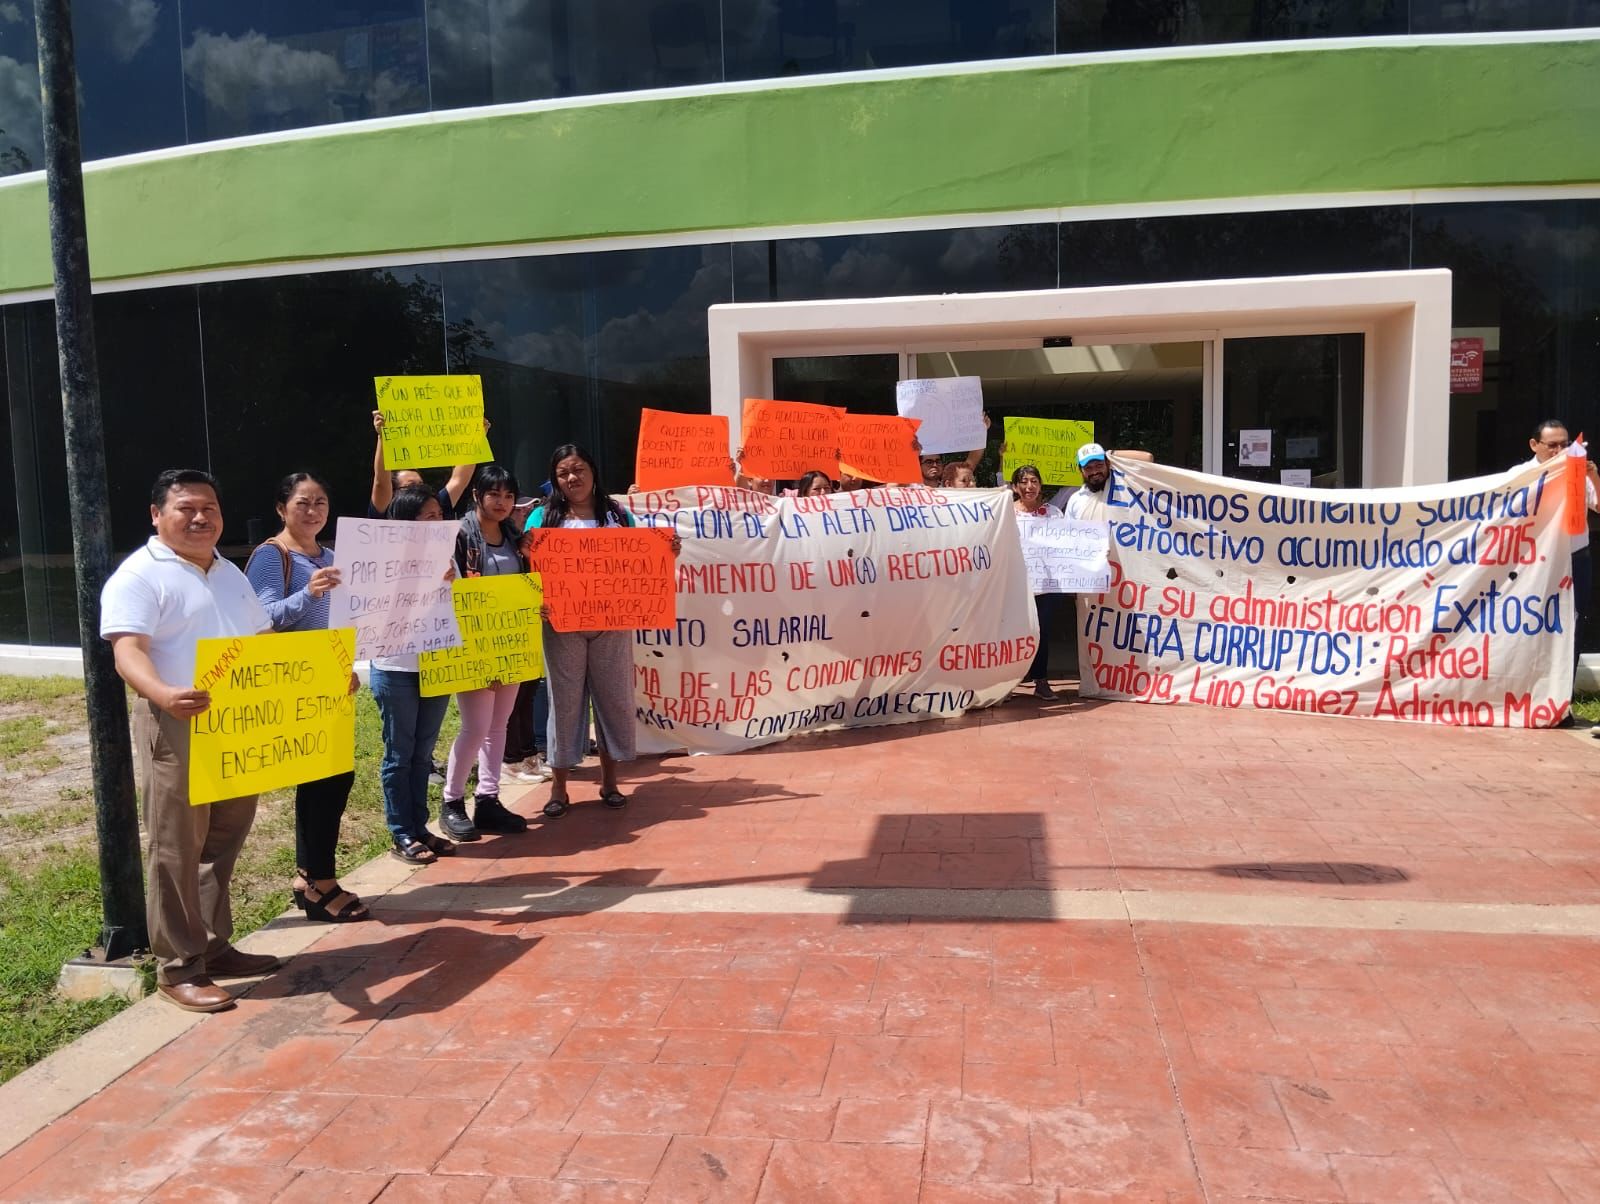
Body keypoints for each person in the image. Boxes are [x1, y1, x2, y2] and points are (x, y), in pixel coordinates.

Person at [101, 469, 280, 1012]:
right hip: (176, 719)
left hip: (238, 722)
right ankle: (178, 966)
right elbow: (127, 651)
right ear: (157, 515)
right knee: (177, 844)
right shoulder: (139, 575)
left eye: (210, 508)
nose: (201, 518)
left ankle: (213, 946)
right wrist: (164, 693)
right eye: (186, 508)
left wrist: (323, 676)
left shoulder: (229, 572)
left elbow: (264, 640)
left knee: (224, 835)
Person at [525, 444, 678, 816]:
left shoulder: (618, 515)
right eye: (563, 473)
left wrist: (666, 552)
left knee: (613, 700)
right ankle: (559, 788)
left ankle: (610, 782)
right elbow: (527, 570)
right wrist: (529, 560)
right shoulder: (542, 518)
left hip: (613, 623)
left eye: (578, 469)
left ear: (593, 471)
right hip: (562, 624)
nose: (572, 478)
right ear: (554, 480)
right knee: (564, 704)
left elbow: (643, 558)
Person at [243, 473, 367, 923]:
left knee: (332, 780)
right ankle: (319, 882)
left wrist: (345, 666)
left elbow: (339, 620)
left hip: (329, 682)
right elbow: (259, 617)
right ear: (281, 508)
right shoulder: (271, 555)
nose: (313, 511)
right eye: (302, 502)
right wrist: (307, 593)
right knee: (323, 782)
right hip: (292, 684)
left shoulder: (330, 556)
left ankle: (311, 876)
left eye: (320, 502)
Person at [440, 464, 535, 840]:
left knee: (499, 725)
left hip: (511, 643)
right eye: (494, 494)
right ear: (476, 495)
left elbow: (527, 585)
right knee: (476, 726)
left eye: (509, 496)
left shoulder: (514, 536)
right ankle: (451, 802)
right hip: (472, 644)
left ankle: (488, 800)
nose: (502, 502)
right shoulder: (459, 536)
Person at [366, 484, 460, 864]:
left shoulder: (447, 557)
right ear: (407, 522)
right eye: (429, 516)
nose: (438, 522)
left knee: (423, 753)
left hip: (435, 665)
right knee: (399, 754)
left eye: (440, 515)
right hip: (396, 668)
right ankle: (401, 832)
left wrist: (452, 583)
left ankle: (420, 827)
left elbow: (454, 610)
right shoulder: (379, 561)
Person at [1526, 419, 1599, 711]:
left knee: (1574, 624)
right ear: (1535, 445)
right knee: (1532, 623)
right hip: (1536, 563)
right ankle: (1530, 695)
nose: (1559, 451)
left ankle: (1562, 699)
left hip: (1575, 558)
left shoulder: (1578, 472)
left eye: (1564, 445)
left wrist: (1593, 476)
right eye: (1552, 445)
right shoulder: (1521, 476)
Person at [368, 410, 484, 519]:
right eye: (411, 485)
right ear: (393, 492)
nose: (418, 489)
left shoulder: (435, 504)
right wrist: (382, 436)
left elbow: (459, 480)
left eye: (421, 484)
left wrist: (476, 437)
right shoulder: (387, 511)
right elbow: (381, 483)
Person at [1011, 463, 1061, 702]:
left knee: (1041, 633)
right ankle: (1009, 682)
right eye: (1023, 482)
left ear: (1040, 485)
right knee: (1013, 633)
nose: (1029, 486)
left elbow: (1068, 545)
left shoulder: (1054, 513)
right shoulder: (1006, 513)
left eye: (1034, 481)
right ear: (1014, 487)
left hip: (1047, 586)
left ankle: (1041, 680)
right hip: (1015, 585)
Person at [1053, 443, 1113, 518]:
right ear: (1081, 470)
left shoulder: (1123, 493)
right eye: (1088, 468)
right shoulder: (1075, 500)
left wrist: (1113, 454)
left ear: (1108, 464)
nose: (1094, 472)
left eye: (1099, 466)